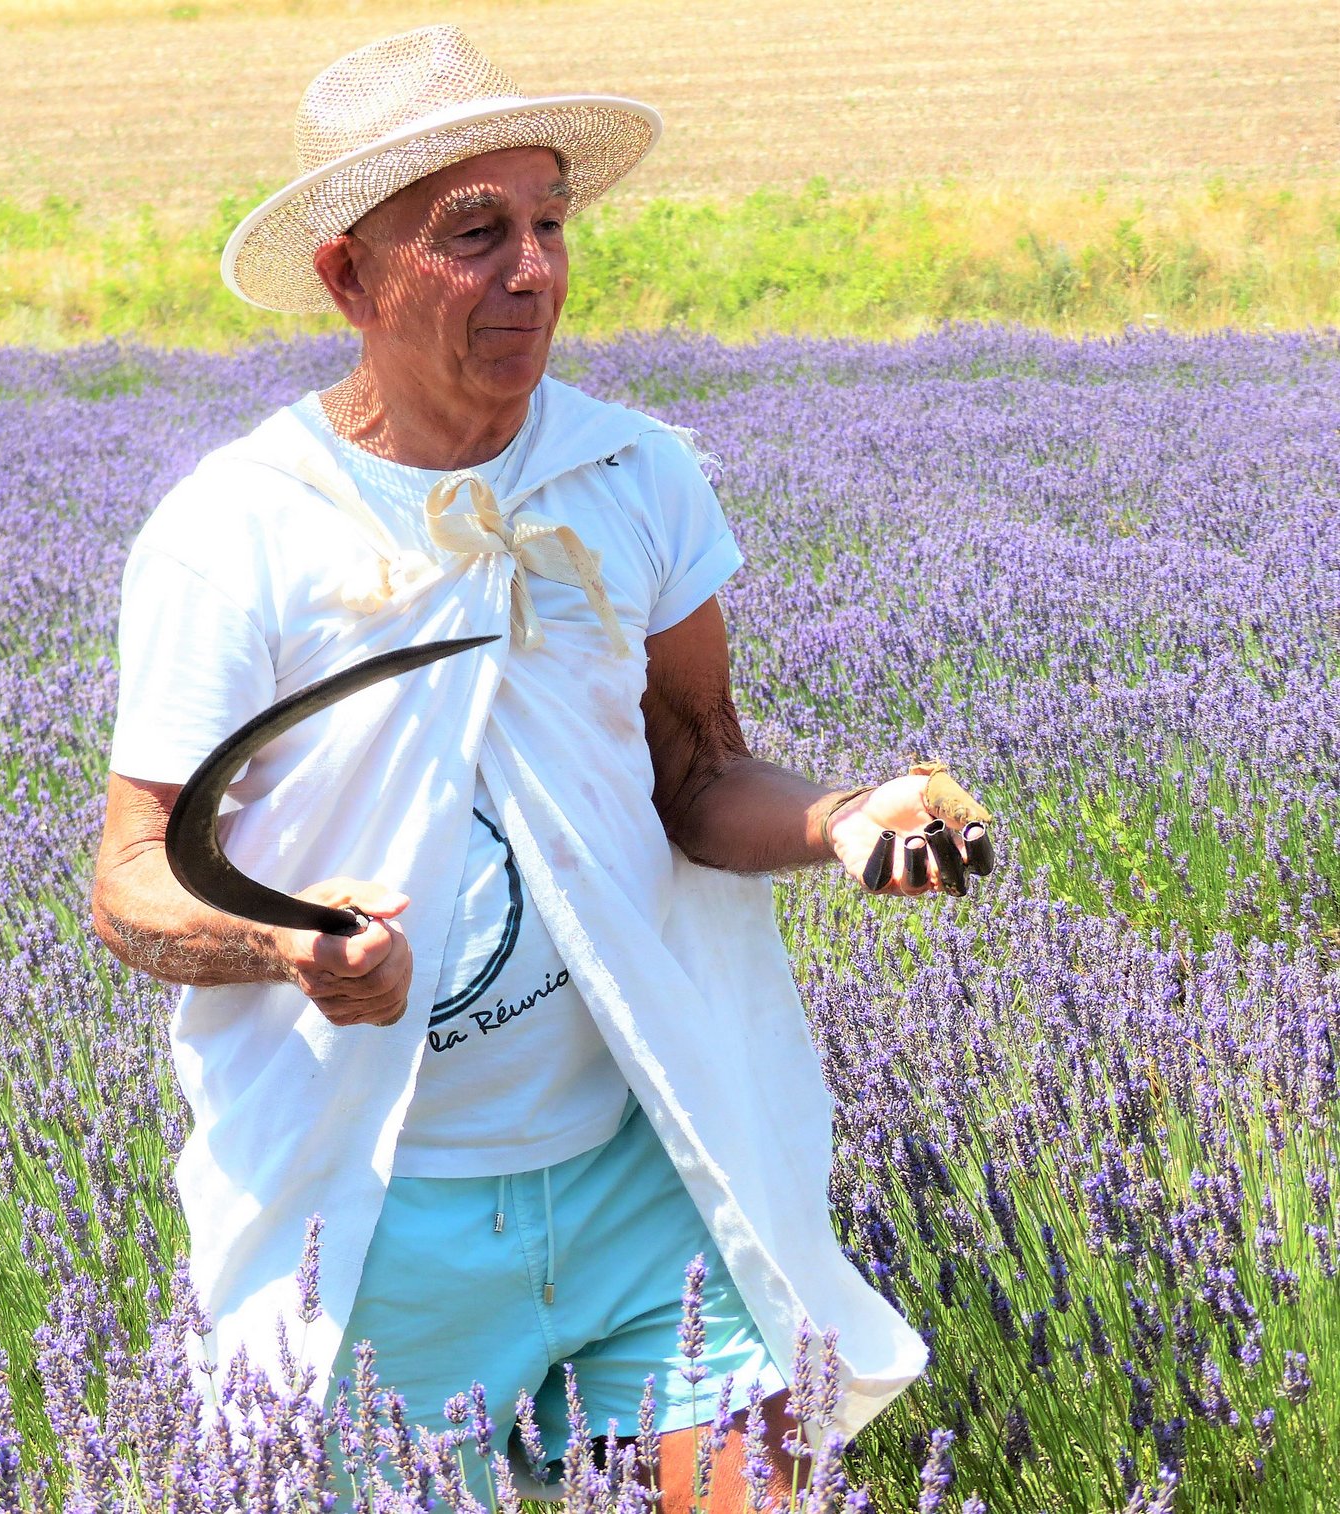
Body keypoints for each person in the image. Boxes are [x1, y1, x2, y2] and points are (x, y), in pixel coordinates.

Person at [92, 24, 959, 1508]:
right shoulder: (237, 532)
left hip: (642, 1174)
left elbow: (697, 775)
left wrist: (843, 820)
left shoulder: (632, 475)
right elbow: (130, 879)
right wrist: (285, 942)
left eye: (550, 224)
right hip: (376, 1224)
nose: (533, 270)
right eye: (474, 232)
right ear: (350, 277)